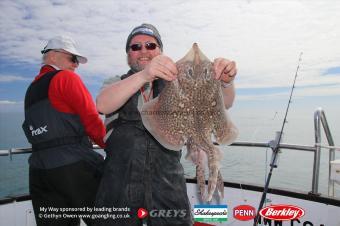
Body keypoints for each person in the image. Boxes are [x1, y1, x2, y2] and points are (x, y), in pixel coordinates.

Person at [95, 23, 237, 226]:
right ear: (128, 54)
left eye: (150, 45)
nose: (143, 51)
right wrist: (145, 75)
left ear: (160, 50)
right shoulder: (116, 82)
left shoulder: (176, 83)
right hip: (118, 189)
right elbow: (103, 104)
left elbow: (225, 103)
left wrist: (225, 81)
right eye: (135, 47)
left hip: (168, 188)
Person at [22, 35, 106, 226]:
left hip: (39, 172)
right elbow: (92, 120)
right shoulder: (66, 78)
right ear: (53, 56)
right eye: (72, 58)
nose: (76, 65)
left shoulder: (30, 90)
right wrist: (112, 147)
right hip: (74, 168)